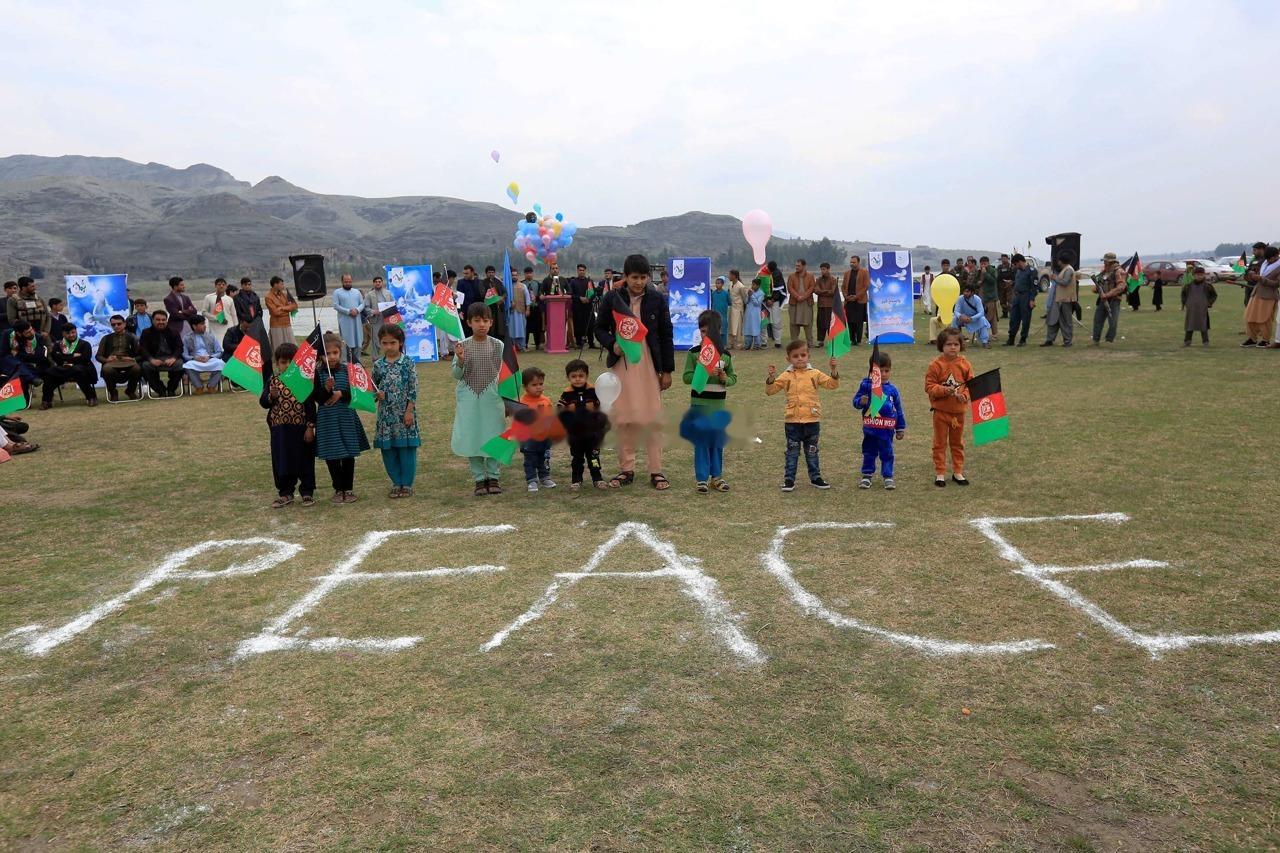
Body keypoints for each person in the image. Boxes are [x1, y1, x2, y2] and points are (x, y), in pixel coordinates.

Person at [595, 253, 675, 491]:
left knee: (651, 418)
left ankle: (656, 471)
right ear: (626, 276)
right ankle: (626, 469)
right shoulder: (612, 298)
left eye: (643, 277)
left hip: (650, 364)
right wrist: (613, 345)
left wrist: (667, 370)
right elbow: (598, 329)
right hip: (622, 365)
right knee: (623, 418)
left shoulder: (657, 299)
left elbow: (666, 334)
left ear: (648, 277)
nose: (638, 282)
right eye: (634, 277)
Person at [765, 340, 839, 491]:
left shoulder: (815, 374)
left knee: (812, 451)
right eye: (795, 356)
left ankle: (816, 477)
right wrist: (771, 379)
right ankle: (789, 480)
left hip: (812, 420)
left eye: (803, 355)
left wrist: (833, 370)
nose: (800, 358)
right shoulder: (785, 376)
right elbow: (770, 391)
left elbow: (832, 384)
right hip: (792, 422)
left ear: (808, 356)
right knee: (792, 452)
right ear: (788, 359)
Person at [452, 303, 507, 495]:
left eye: (485, 320)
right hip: (468, 398)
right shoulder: (462, 346)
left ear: (491, 322)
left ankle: (493, 476)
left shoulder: (498, 345)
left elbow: (505, 374)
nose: (481, 324)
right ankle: (478, 478)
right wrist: (460, 359)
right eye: (477, 321)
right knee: (472, 436)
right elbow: (456, 375)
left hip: (492, 398)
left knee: (493, 435)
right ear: (469, 323)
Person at [680, 310, 736, 493]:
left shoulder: (725, 356)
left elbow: (733, 379)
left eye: (709, 332)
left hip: (718, 407)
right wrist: (701, 372)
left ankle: (717, 477)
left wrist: (724, 378)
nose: (706, 336)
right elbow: (687, 377)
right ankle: (702, 479)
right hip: (699, 407)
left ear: (719, 331)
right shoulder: (694, 353)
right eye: (703, 332)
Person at [313, 331, 370, 503]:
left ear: (340, 352)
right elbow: (317, 397)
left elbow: (356, 394)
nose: (331, 357)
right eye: (327, 354)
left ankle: (348, 488)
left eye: (335, 353)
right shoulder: (318, 373)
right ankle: (338, 488)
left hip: (346, 417)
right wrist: (327, 389)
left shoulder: (348, 370)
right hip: (327, 419)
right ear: (321, 355)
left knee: (348, 454)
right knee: (332, 455)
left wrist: (340, 393)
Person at [259, 342, 317, 508]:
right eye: (283, 362)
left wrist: (310, 427)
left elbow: (310, 406)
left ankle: (307, 492)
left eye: (291, 362)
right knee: (281, 460)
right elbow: (263, 402)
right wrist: (271, 396)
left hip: (300, 429)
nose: (286, 365)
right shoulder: (273, 381)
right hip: (280, 430)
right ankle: (285, 492)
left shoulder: (303, 382)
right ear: (277, 363)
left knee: (304, 460)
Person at [371, 324, 420, 498]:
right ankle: (396, 482)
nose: (389, 347)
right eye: (385, 343)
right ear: (380, 344)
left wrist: (409, 411)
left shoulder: (408, 362)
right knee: (389, 450)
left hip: (404, 413)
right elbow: (372, 389)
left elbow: (413, 389)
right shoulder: (378, 365)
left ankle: (406, 483)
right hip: (385, 416)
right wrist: (377, 394)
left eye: (393, 342)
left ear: (400, 343)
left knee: (406, 449)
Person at [925, 327, 973, 487]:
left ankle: (957, 472)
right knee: (939, 443)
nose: (952, 347)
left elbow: (971, 385)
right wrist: (945, 390)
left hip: (958, 413)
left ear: (960, 346)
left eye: (956, 344)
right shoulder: (935, 365)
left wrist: (964, 395)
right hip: (940, 412)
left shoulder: (965, 364)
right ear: (941, 346)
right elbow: (929, 386)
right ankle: (940, 473)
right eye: (948, 344)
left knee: (957, 443)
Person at [853, 349, 906, 490]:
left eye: (886, 371)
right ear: (872, 371)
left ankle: (888, 476)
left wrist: (900, 428)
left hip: (887, 429)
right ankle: (867, 475)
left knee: (887, 452)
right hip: (870, 428)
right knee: (869, 452)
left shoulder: (893, 390)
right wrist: (861, 401)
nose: (883, 374)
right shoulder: (866, 385)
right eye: (879, 371)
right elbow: (855, 402)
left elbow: (899, 410)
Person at [557, 359, 608, 490]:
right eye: (574, 376)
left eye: (581, 376)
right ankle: (576, 480)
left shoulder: (594, 392)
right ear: (568, 377)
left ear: (587, 376)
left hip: (592, 434)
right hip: (575, 434)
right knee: (577, 459)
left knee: (594, 458)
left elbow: (601, 409)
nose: (578, 379)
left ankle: (597, 478)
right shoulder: (566, 394)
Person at [518, 366, 557, 492]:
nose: (539, 387)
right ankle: (531, 480)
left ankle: (544, 477)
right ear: (525, 386)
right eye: (534, 384)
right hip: (529, 438)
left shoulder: (546, 401)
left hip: (544, 437)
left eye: (541, 384)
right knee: (530, 459)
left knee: (544, 458)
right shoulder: (522, 402)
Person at [41, 323, 98, 408]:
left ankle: (91, 397)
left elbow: (85, 359)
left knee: (78, 370)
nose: (71, 335)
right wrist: (73, 356)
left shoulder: (85, 344)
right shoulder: (58, 345)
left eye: (73, 332)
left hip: (82, 369)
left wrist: (65, 358)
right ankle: (46, 400)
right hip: (63, 369)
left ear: (76, 331)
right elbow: (57, 358)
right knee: (49, 373)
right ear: (63, 334)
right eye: (68, 333)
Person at [96, 314, 142, 401]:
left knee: (137, 368)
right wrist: (106, 360)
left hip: (129, 362)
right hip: (112, 363)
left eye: (119, 324)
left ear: (124, 324)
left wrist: (133, 359)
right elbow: (98, 356)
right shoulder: (106, 338)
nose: (116, 326)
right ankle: (113, 392)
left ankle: (130, 391)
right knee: (106, 369)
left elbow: (141, 355)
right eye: (113, 324)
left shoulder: (133, 337)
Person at [0, 320, 49, 402]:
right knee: (11, 361)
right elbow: (3, 353)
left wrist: (18, 354)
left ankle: (24, 401)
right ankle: (32, 378)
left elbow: (39, 357)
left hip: (26, 365)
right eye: (27, 332)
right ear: (19, 333)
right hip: (7, 364)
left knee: (20, 373)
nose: (31, 333)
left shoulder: (37, 337)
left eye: (31, 329)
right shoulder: (7, 334)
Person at [138, 310, 184, 396]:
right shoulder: (146, 332)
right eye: (158, 320)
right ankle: (160, 390)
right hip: (154, 359)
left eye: (163, 320)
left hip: (171, 358)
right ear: (153, 320)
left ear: (166, 320)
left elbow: (179, 347)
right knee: (145, 366)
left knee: (180, 364)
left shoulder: (174, 331)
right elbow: (142, 349)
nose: (161, 322)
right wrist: (151, 360)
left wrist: (173, 358)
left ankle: (171, 389)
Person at [1244, 245, 1280, 347]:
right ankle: (1252, 338)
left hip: (1269, 295)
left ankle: (1265, 339)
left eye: (1272, 258)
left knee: (1265, 318)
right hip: (1256, 293)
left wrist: (1261, 279)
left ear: (1276, 255)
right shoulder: (1264, 263)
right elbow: (1258, 275)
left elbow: (1276, 284)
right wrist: (1252, 275)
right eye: (1268, 258)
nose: (1270, 260)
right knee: (1249, 316)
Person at [182, 316, 225, 394]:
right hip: (195, 360)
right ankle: (199, 387)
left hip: (210, 359)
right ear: (194, 326)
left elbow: (219, 352)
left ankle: (211, 385)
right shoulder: (187, 338)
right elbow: (184, 354)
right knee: (188, 365)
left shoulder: (211, 336)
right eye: (202, 324)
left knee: (221, 364)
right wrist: (194, 358)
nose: (204, 325)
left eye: (204, 323)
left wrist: (209, 357)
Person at [1091, 252, 1127, 346]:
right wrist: (1097, 289)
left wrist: (1108, 294)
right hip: (1102, 300)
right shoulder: (1104, 272)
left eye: (1106, 261)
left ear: (1111, 262)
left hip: (1114, 300)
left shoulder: (1119, 271)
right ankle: (1095, 340)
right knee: (1097, 320)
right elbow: (1097, 285)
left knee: (1112, 322)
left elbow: (1121, 287)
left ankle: (1109, 340)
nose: (1104, 263)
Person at [1041, 258, 1077, 347]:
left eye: (1059, 261)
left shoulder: (1068, 269)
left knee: (1066, 321)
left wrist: (1055, 278)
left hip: (1065, 299)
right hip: (1059, 299)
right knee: (1053, 320)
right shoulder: (1065, 269)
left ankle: (1068, 341)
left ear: (1061, 261)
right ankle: (1049, 340)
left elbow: (1065, 282)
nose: (1058, 262)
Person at [1004, 254, 1037, 346]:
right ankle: (1011, 338)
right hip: (1017, 296)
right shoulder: (1018, 271)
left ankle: (1023, 339)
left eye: (1015, 264)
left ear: (1020, 262)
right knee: (1014, 318)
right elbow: (1019, 282)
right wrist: (1012, 283)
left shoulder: (1032, 271)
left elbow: (1033, 287)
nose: (1015, 266)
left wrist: (1032, 299)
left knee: (1025, 319)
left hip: (1026, 296)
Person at [331, 274, 365, 363]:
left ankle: (357, 362)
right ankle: (345, 363)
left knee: (358, 342)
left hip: (357, 321)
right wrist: (348, 311)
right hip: (345, 322)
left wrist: (357, 310)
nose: (348, 283)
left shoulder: (357, 292)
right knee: (346, 342)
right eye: (346, 282)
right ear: (342, 282)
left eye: (349, 281)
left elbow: (362, 304)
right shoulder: (337, 292)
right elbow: (335, 305)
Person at [1181, 265, 1216, 347]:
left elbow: (1214, 295)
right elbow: (1183, 295)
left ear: (1204, 275)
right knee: (1190, 325)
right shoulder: (1188, 286)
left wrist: (1209, 303)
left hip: (1202, 310)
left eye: (1201, 274)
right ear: (1193, 275)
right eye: (1197, 275)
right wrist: (1185, 303)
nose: (1199, 276)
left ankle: (1205, 342)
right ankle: (1187, 341)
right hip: (1191, 310)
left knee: (1203, 325)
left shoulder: (1207, 286)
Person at [786, 259, 816, 346]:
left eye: (798, 266)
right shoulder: (791, 276)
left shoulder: (810, 276)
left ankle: (810, 342)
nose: (796, 267)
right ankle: (794, 343)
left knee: (808, 323)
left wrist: (804, 296)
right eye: (796, 266)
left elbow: (812, 287)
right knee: (793, 323)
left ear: (804, 266)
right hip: (794, 303)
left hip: (806, 303)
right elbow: (790, 288)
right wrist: (797, 296)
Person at [842, 255, 871, 345]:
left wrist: (857, 296)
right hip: (849, 301)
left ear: (858, 263)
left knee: (858, 321)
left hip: (860, 301)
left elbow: (866, 286)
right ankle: (852, 339)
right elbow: (843, 287)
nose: (852, 264)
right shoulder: (847, 273)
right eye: (851, 262)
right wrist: (846, 296)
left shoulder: (864, 272)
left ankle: (858, 340)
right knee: (850, 321)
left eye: (854, 262)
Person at [263, 275, 297, 352]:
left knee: (291, 344)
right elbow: (275, 312)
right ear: (275, 284)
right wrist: (287, 309)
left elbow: (294, 306)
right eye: (281, 284)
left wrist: (282, 308)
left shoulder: (284, 294)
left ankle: (292, 359)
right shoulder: (268, 297)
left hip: (287, 323)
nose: (283, 286)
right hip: (276, 325)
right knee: (278, 346)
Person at [953, 281, 992, 347]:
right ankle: (957, 341)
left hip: (974, 319)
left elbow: (981, 312)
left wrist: (971, 318)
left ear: (972, 292)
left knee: (982, 319)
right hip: (963, 319)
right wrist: (960, 316)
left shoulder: (977, 299)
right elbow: (956, 311)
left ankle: (985, 342)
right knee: (954, 319)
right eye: (964, 291)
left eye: (967, 291)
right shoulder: (960, 298)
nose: (965, 293)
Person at [202, 278, 237, 343]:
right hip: (214, 328)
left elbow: (234, 315)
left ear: (226, 286)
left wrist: (236, 329)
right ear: (215, 286)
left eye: (223, 284)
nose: (221, 286)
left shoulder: (229, 299)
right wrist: (218, 318)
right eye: (219, 284)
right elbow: (204, 312)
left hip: (228, 327)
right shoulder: (209, 297)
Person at [568, 264, 594, 349]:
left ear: (585, 271)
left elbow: (593, 293)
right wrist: (580, 298)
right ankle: (579, 343)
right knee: (578, 325)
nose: (581, 272)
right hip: (577, 307)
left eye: (583, 270)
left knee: (590, 325)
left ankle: (591, 343)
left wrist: (589, 299)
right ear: (577, 271)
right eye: (580, 270)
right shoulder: (573, 282)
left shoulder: (589, 281)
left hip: (588, 307)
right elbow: (570, 294)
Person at [362, 275, 390, 357]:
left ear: (382, 283)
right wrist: (373, 311)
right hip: (375, 321)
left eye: (379, 282)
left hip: (386, 320)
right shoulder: (369, 295)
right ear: (373, 283)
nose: (378, 283)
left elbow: (393, 304)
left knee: (387, 339)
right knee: (376, 341)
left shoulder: (388, 293)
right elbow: (365, 307)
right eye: (376, 282)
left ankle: (388, 358)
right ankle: (375, 359)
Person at [480, 265, 509, 343]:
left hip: (499, 308)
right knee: (490, 327)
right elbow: (482, 295)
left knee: (500, 328)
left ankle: (500, 343)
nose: (491, 274)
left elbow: (505, 293)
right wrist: (493, 299)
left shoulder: (498, 282)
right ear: (486, 273)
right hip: (489, 309)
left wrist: (502, 298)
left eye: (492, 272)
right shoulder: (483, 282)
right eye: (489, 272)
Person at [813, 264, 838, 345]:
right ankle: (820, 341)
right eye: (821, 269)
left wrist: (822, 292)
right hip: (821, 305)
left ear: (828, 269)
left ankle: (832, 341)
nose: (822, 271)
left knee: (830, 324)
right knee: (820, 324)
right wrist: (826, 291)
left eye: (824, 269)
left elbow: (833, 292)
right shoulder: (818, 280)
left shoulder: (833, 280)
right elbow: (816, 290)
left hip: (830, 305)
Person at [977, 257, 999, 339]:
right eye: (982, 263)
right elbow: (975, 281)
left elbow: (993, 281)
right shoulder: (978, 271)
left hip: (990, 296)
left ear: (988, 263)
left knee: (990, 315)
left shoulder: (992, 270)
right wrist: (978, 282)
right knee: (985, 315)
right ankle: (992, 333)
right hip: (981, 296)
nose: (983, 265)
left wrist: (985, 274)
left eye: (985, 263)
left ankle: (989, 333)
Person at [767, 260, 786, 348]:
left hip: (775, 301)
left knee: (776, 321)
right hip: (768, 301)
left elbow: (778, 289)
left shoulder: (777, 274)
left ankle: (778, 341)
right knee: (767, 321)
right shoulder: (768, 274)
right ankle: (768, 339)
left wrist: (772, 300)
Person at [524, 267, 544, 350]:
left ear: (533, 273)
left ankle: (537, 344)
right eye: (527, 273)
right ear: (524, 274)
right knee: (526, 327)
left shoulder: (538, 284)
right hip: (525, 308)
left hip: (536, 308)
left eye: (530, 273)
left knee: (537, 327)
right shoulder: (522, 284)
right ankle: (525, 344)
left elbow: (540, 295)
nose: (529, 274)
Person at [728, 269, 749, 350]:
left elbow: (744, 298)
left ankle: (739, 344)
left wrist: (743, 307)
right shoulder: (730, 284)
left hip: (738, 308)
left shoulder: (741, 286)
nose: (729, 276)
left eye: (730, 275)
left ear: (734, 276)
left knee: (738, 326)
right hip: (731, 307)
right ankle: (731, 343)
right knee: (731, 326)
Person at [509, 271, 529, 351]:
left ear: (518, 276)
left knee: (522, 329)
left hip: (521, 312)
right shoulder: (507, 286)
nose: (514, 276)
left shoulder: (523, 286)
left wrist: (528, 309)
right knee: (511, 330)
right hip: (511, 312)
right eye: (512, 275)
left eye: (515, 275)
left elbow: (527, 298)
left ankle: (522, 346)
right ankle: (512, 346)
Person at [744, 278, 766, 350]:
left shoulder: (761, 293)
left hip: (756, 313)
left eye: (754, 285)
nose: (752, 286)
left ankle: (757, 345)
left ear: (758, 285)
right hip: (748, 313)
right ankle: (747, 345)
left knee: (756, 328)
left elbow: (757, 303)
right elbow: (746, 302)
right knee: (748, 328)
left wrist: (752, 295)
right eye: (752, 284)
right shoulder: (750, 292)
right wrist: (748, 295)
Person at [711, 276, 731, 350]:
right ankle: (716, 345)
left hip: (723, 314)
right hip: (715, 315)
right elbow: (712, 302)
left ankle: (724, 345)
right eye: (716, 283)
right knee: (715, 330)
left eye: (719, 283)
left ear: (722, 284)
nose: (717, 285)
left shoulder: (725, 293)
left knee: (724, 330)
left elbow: (729, 302)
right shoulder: (713, 293)